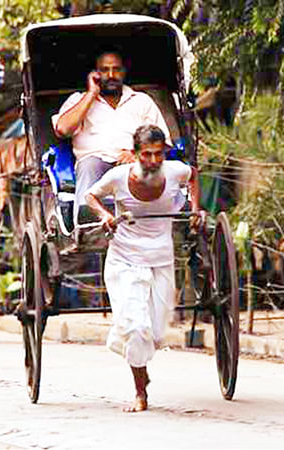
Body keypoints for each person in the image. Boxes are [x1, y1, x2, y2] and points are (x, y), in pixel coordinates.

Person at [84, 124, 201, 412]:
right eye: (146, 154)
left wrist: (196, 208)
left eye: (158, 154)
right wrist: (105, 215)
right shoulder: (118, 176)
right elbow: (91, 196)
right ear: (135, 154)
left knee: (156, 333)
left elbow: (194, 176)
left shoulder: (174, 170)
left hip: (161, 260)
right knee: (136, 327)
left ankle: (141, 366)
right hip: (124, 261)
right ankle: (140, 392)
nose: (152, 161)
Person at [51, 51, 171, 227]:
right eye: (105, 70)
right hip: (96, 165)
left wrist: (136, 155)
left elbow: (163, 142)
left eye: (116, 70)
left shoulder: (142, 101)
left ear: (123, 72)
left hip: (135, 164)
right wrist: (92, 94)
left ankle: (165, 222)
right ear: (96, 74)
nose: (111, 75)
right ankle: (87, 228)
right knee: (89, 164)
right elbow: (62, 129)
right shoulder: (78, 100)